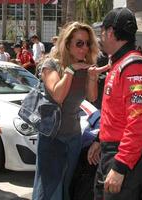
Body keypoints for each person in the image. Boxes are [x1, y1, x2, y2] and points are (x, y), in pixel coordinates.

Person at [87, 7, 142, 200]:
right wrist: (100, 139)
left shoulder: (133, 67)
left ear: (110, 32)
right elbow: (115, 114)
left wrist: (120, 166)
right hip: (111, 153)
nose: (100, 37)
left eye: (101, 32)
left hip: (123, 158)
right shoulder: (118, 64)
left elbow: (140, 122)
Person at [32, 21, 99, 200]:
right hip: (51, 137)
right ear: (67, 44)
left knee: (65, 186)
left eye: (87, 43)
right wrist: (70, 70)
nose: (84, 48)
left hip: (74, 137)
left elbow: (92, 97)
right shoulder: (51, 65)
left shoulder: (85, 68)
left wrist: (92, 77)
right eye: (79, 43)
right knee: (49, 189)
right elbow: (58, 96)